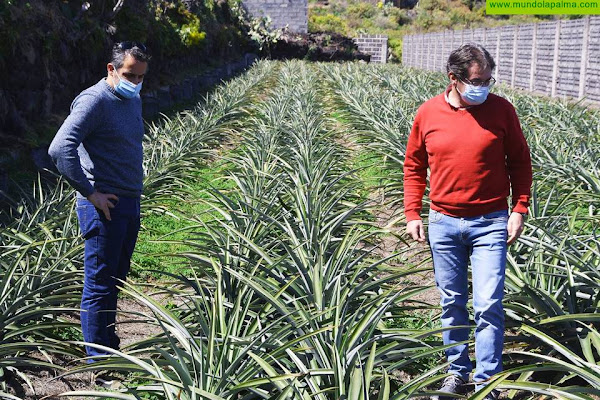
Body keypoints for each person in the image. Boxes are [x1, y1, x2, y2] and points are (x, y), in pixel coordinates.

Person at [403, 43, 532, 400]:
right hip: (443, 222)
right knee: (452, 302)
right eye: (477, 81)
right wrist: (412, 212)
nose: (484, 87)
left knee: (489, 302)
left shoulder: (502, 110)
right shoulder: (427, 114)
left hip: (491, 220)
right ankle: (457, 373)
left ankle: (488, 380)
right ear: (454, 79)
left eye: (489, 80)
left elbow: (520, 162)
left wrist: (519, 209)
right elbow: (414, 166)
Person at [48, 41, 150, 382]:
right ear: (111, 69)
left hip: (128, 203)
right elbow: (60, 148)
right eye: (128, 75)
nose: (134, 82)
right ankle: (99, 364)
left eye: (140, 77)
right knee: (99, 283)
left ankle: (109, 345)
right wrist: (92, 194)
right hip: (104, 207)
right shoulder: (94, 100)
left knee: (115, 279)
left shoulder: (131, 98)